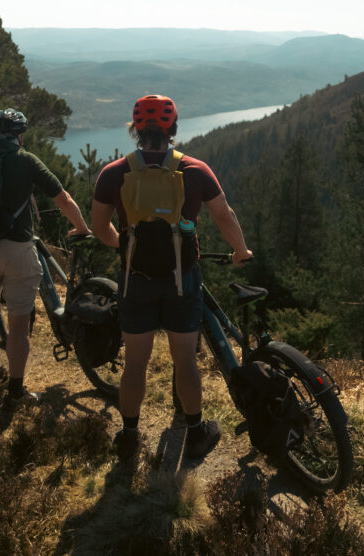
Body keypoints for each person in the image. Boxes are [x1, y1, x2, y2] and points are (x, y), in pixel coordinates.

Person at [91, 94, 253, 461]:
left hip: (136, 281)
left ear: (135, 130)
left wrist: (124, 248)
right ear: (173, 129)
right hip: (183, 279)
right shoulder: (195, 169)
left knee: (135, 362)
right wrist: (240, 251)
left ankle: (129, 436)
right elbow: (224, 216)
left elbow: (99, 227)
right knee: (185, 360)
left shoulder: (114, 173)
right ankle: (195, 432)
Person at [0, 108, 91, 405]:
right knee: (19, 324)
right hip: (19, 249)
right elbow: (63, 199)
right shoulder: (25, 159)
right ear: (20, 135)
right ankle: (16, 391)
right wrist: (82, 228)